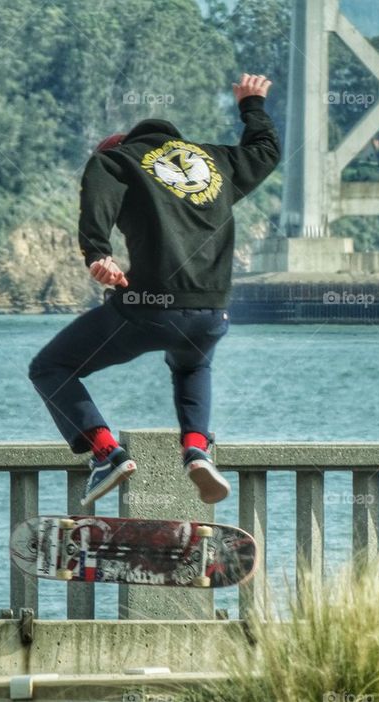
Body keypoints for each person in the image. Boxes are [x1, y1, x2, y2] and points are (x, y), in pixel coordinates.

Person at [29, 74, 280, 507]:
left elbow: (98, 197)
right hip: (211, 312)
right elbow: (266, 150)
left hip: (149, 308)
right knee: (192, 365)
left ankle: (107, 454)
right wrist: (252, 105)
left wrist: (97, 253)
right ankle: (196, 450)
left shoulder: (116, 161)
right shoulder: (215, 162)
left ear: (124, 145)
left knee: (51, 368)